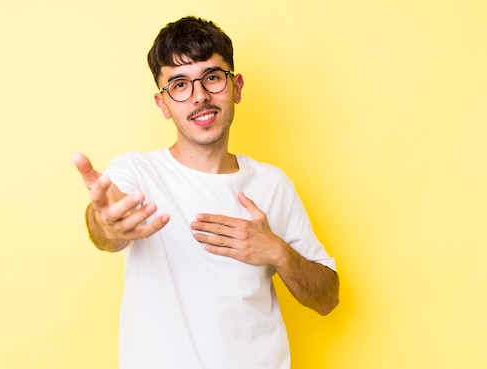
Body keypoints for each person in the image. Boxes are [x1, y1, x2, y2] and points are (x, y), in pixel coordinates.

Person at [72, 16, 339, 369]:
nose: (200, 96)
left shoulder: (274, 184)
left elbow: (327, 298)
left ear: (236, 87)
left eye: (212, 77)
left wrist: (277, 251)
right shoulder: (139, 173)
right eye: (180, 84)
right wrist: (108, 223)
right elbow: (105, 229)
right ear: (163, 103)